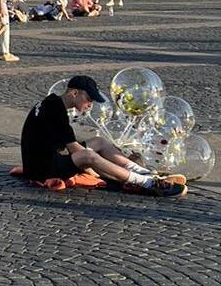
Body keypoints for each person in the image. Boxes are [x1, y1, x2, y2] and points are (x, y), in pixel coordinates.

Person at [21, 76, 185, 197]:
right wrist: (103, 170)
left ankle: (143, 172)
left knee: (98, 141)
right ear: (74, 93)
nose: (90, 104)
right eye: (88, 98)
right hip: (41, 169)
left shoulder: (53, 102)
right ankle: (146, 182)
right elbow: (75, 150)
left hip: (45, 158)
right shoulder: (55, 110)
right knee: (89, 155)